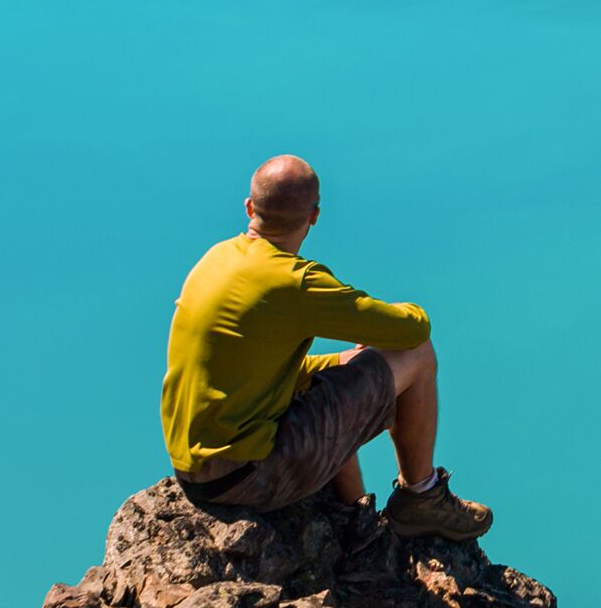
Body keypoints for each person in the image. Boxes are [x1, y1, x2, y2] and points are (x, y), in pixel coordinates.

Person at [161, 153, 493, 540]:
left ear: (250, 207)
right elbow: (411, 330)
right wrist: (403, 318)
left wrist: (339, 361)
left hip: (197, 472)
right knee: (417, 354)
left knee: (337, 378)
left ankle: (356, 519)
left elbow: (247, 375)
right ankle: (421, 496)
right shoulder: (295, 282)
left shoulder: (216, 259)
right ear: (314, 215)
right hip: (249, 477)